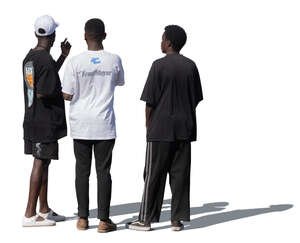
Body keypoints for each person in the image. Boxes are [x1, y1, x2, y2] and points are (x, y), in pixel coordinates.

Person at [126, 25, 203, 231]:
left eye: (162, 39)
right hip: (185, 129)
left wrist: (148, 125)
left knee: (153, 174)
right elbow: (195, 98)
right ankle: (177, 220)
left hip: (160, 129)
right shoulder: (191, 66)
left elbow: (149, 101)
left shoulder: (158, 66)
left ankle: (145, 219)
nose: (160, 42)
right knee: (180, 174)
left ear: (168, 42)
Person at [62, 18, 124, 233]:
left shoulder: (75, 62)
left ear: (84, 35)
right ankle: (104, 220)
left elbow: (67, 95)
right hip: (105, 125)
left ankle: (82, 219)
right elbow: (118, 82)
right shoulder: (114, 59)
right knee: (103, 172)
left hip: (81, 124)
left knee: (82, 172)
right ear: (104, 36)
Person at [22, 15, 71, 227]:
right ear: (53, 35)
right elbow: (43, 91)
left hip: (32, 119)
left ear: (36, 34)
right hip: (45, 122)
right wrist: (63, 95)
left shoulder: (30, 57)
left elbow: (44, 77)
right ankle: (29, 214)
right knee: (40, 162)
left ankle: (44, 209)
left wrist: (62, 57)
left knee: (44, 163)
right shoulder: (45, 61)